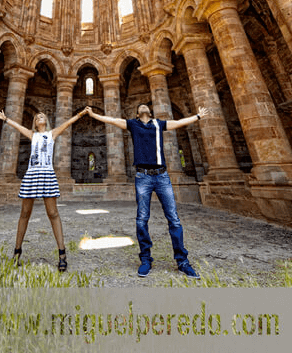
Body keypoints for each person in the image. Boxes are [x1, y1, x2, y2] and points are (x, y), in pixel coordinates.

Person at [84, 103, 209, 278]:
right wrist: (93, 115)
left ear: (150, 111)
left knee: (174, 219)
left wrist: (197, 116)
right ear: (137, 113)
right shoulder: (133, 124)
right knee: (142, 219)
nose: (143, 107)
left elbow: (179, 122)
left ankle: (182, 261)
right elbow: (111, 120)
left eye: (145, 106)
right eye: (140, 106)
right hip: (143, 177)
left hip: (162, 176)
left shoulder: (159, 124)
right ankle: (145, 259)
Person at [0, 108, 87, 271]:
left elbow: (67, 123)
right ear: (35, 123)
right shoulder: (33, 135)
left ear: (47, 121)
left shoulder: (52, 134)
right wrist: (6, 119)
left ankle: (62, 254)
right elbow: (18, 127)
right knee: (24, 214)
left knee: (53, 213)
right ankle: (17, 252)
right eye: (37, 117)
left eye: (42, 116)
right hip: (32, 174)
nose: (39, 118)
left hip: (47, 174)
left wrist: (81, 114)